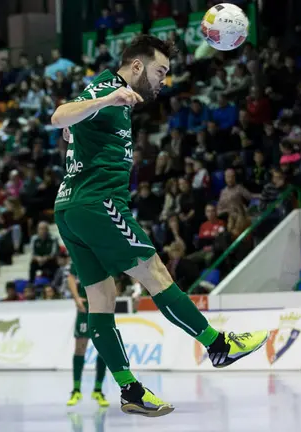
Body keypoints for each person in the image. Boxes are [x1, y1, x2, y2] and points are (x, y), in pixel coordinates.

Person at [51, 35, 268, 417]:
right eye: (159, 71)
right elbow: (58, 116)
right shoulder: (109, 89)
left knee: (100, 299)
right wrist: (102, 102)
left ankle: (130, 390)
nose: (162, 80)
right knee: (155, 272)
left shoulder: (112, 97)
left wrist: (80, 126)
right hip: (97, 203)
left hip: (69, 208)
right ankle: (217, 345)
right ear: (136, 66)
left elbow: (71, 126)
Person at [65, 263, 109, 408]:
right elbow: (71, 277)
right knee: (80, 348)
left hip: (101, 305)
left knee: (103, 348)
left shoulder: (102, 253)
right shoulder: (79, 252)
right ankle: (76, 390)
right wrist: (76, 298)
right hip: (85, 306)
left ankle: (98, 390)